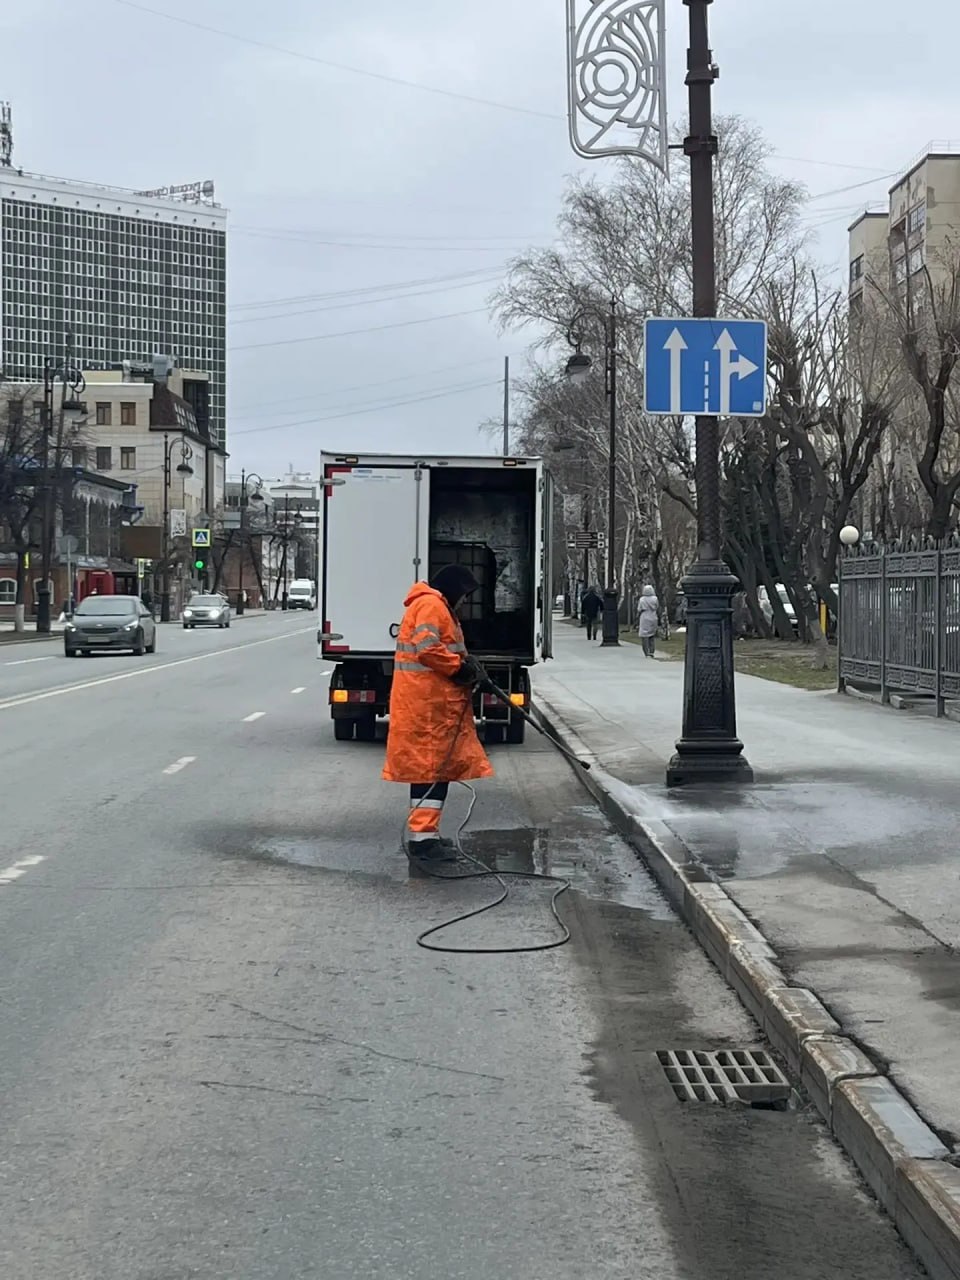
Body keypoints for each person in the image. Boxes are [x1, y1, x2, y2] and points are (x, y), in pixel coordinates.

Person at [382, 565, 494, 862]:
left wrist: (468, 664)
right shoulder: (431, 605)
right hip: (426, 707)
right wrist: (458, 668)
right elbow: (428, 648)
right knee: (429, 771)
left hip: (431, 705)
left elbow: (442, 648)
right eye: (465, 595)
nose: (466, 602)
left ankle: (427, 835)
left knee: (435, 770)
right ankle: (422, 840)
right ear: (455, 589)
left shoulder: (436, 606)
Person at [637, 584, 659, 657]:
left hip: (645, 616)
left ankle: (646, 652)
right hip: (653, 616)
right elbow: (657, 606)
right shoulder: (655, 598)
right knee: (651, 635)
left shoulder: (642, 599)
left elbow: (639, 609)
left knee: (644, 635)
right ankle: (652, 651)